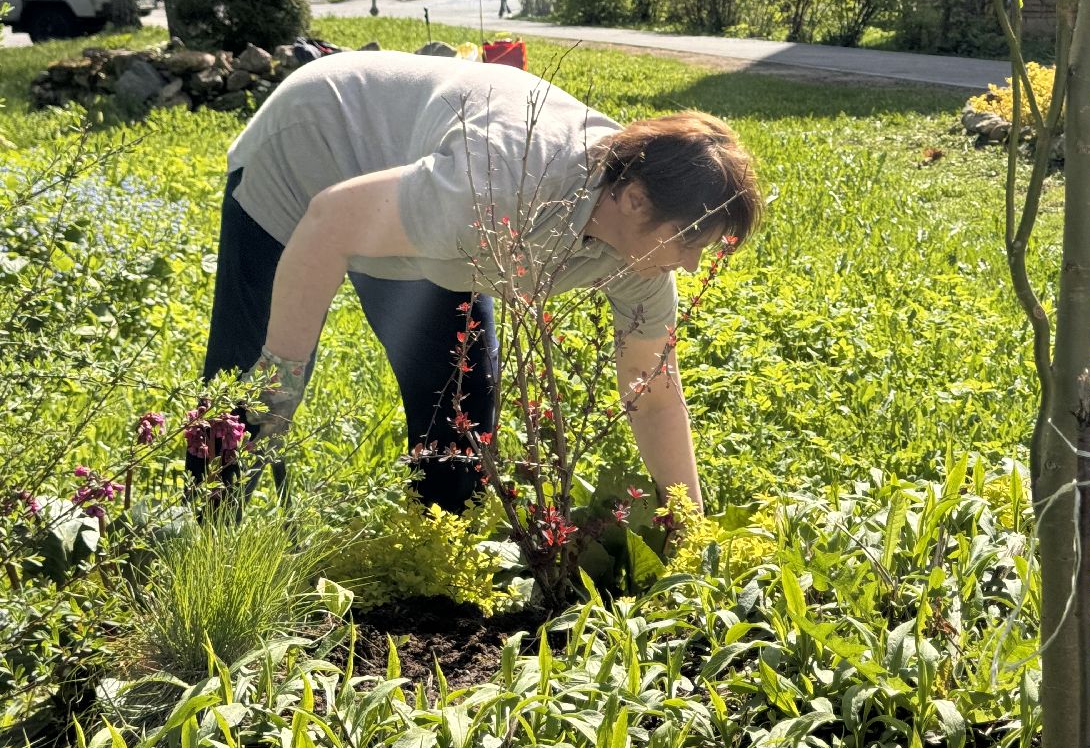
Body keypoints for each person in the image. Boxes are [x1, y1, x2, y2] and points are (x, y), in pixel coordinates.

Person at [189, 51, 761, 513]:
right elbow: (328, 224)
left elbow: (653, 394)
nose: (690, 265)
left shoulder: (641, 253)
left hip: (424, 211)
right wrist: (282, 377)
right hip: (318, 144)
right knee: (248, 390)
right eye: (691, 244)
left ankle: (438, 555)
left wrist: (687, 524)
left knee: (458, 430)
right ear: (635, 200)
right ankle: (210, 535)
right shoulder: (493, 189)